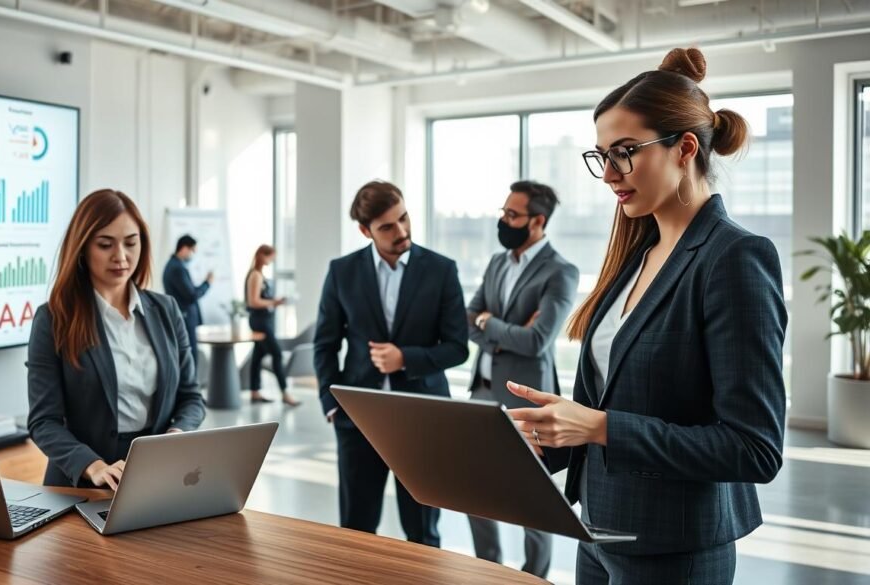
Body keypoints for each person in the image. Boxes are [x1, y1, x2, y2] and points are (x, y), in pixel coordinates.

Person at [504, 48, 786, 584]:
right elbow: (614, 399)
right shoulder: (636, 256)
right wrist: (548, 435)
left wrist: (600, 427)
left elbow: (754, 448)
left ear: (684, 148)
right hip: (598, 530)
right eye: (601, 155)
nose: (608, 174)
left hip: (674, 550)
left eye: (625, 152)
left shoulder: (735, 258)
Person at [314, 180, 469, 547]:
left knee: (423, 534)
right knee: (356, 530)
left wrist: (406, 358)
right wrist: (331, 404)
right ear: (364, 231)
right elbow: (324, 344)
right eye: (387, 226)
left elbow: (458, 347)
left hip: (423, 418)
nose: (401, 231)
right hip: (358, 418)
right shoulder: (342, 272)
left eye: (403, 218)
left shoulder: (442, 270)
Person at [27, 189, 206, 489]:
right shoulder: (54, 320)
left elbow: (191, 398)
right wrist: (92, 466)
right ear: (82, 248)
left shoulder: (167, 310)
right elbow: (43, 422)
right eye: (105, 244)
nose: (121, 256)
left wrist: (176, 436)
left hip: (158, 475)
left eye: (131, 243)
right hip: (81, 484)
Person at [466, 180, 579, 578]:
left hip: (525, 399)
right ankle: (488, 569)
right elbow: (470, 318)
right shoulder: (497, 262)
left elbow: (536, 341)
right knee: (473, 489)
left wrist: (489, 324)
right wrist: (498, 327)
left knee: (531, 497)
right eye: (503, 212)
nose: (503, 221)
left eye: (512, 215)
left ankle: (534, 576)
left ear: (538, 221)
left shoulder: (561, 272)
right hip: (480, 393)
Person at [245, 245, 301, 407]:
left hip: (264, 319)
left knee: (258, 356)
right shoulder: (255, 275)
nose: (272, 261)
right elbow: (253, 301)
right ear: (262, 255)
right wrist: (273, 302)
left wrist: (275, 302)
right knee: (277, 354)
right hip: (260, 321)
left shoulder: (260, 274)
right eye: (271, 257)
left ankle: (255, 391)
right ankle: (285, 392)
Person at [162, 234, 214, 369]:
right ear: (184, 248)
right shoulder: (177, 268)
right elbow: (191, 295)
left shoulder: (173, 265)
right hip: (184, 318)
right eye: (193, 251)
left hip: (183, 316)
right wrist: (207, 283)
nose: (193, 255)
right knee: (189, 357)